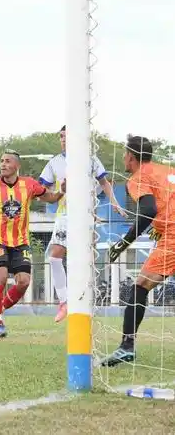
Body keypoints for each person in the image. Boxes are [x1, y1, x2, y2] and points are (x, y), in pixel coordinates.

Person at [0, 150, 64, 338]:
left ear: (17, 166)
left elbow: (49, 197)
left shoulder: (29, 185)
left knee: (24, 282)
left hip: (20, 241)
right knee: (0, 276)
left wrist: (61, 192)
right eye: (1, 161)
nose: (3, 164)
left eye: (8, 161)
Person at [39, 125, 125, 323]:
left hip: (86, 216)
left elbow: (104, 182)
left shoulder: (91, 160)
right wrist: (60, 191)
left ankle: (87, 303)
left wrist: (114, 202)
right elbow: (42, 192)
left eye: (66, 136)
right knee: (54, 258)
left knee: (86, 261)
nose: (63, 140)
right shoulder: (55, 163)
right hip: (65, 215)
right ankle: (64, 302)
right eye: (61, 136)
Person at [101, 136, 175, 367]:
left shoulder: (137, 178)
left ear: (131, 156)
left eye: (124, 154)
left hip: (173, 236)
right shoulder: (167, 170)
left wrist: (124, 243)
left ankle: (126, 346)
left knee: (140, 286)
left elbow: (149, 209)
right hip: (168, 234)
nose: (123, 158)